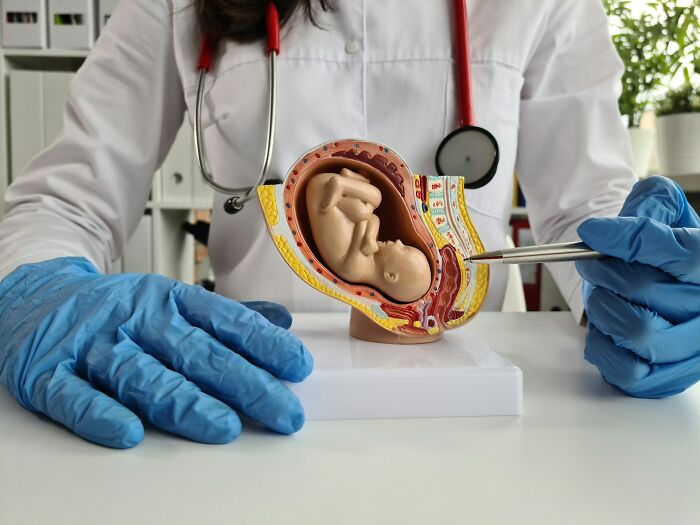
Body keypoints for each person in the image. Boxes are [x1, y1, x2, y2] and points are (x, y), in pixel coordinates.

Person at [0, 0, 698, 449]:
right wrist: (42, 281)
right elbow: (66, 198)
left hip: (483, 412)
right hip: (247, 397)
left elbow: (586, 207)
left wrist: (637, 273)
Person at [306, 167, 433, 302]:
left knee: (365, 208)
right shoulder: (370, 253)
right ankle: (346, 182)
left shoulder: (356, 271)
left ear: (390, 275)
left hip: (322, 196)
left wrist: (367, 232)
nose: (399, 242)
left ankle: (344, 183)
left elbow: (364, 221)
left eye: (403, 249)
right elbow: (374, 219)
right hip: (328, 194)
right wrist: (370, 238)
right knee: (371, 203)